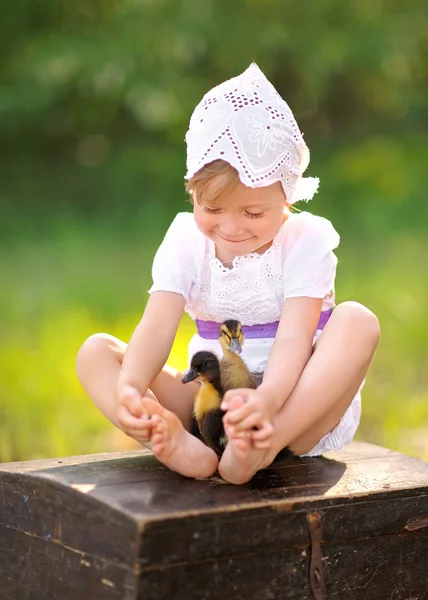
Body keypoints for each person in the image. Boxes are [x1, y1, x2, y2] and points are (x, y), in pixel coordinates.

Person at [76, 63, 380, 485]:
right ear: (192, 192)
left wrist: (268, 403)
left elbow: (294, 339)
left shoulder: (304, 242)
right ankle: (173, 440)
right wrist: (131, 385)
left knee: (358, 321)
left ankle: (261, 447)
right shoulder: (186, 239)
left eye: (253, 212)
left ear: (286, 198)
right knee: (96, 352)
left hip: (292, 403)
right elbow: (157, 325)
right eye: (212, 209)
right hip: (209, 403)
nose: (231, 227)